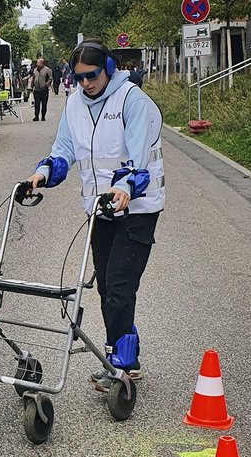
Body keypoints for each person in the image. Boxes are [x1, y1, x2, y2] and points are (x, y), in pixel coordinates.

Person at [26, 40, 164, 391]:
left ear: (109, 68)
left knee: (119, 283)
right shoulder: (74, 104)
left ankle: (123, 363)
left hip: (136, 208)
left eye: (92, 75)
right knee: (105, 285)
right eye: (79, 77)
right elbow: (64, 150)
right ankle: (121, 350)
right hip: (100, 208)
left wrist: (128, 186)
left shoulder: (132, 100)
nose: (86, 83)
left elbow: (139, 156)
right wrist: (44, 172)